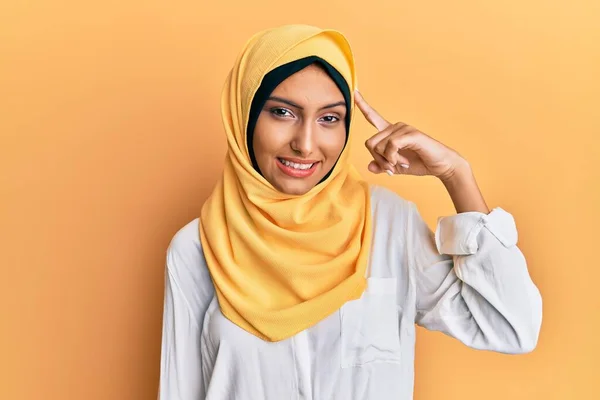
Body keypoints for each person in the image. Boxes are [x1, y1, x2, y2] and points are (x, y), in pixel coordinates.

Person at [158, 24, 542, 400]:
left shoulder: (390, 227)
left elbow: (511, 328)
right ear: (244, 115)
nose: (305, 144)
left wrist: (456, 174)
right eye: (282, 112)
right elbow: (180, 390)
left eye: (329, 118)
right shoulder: (197, 248)